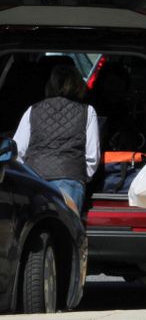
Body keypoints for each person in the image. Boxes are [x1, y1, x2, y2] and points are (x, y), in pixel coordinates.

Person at [13, 64, 100, 214]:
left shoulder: (32, 110)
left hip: (35, 179)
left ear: (50, 85)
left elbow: (17, 151)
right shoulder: (88, 111)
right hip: (70, 179)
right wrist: (78, 175)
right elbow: (92, 156)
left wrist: (26, 176)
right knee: (65, 231)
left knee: (36, 229)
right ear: (78, 85)